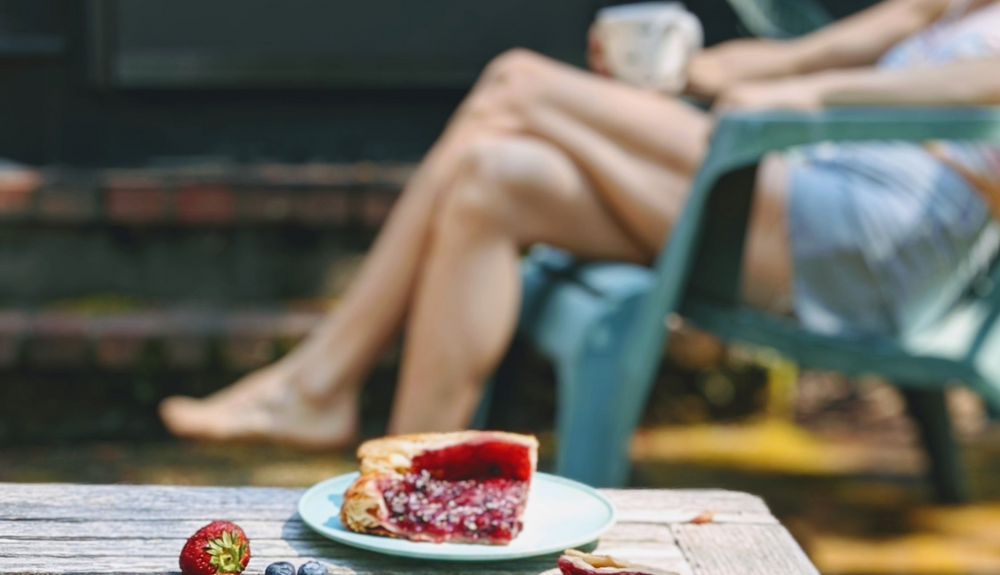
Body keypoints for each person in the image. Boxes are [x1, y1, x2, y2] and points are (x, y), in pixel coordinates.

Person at [160, 0, 1000, 449]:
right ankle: (415, 477)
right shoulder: (942, 4)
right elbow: (781, 63)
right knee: (493, 178)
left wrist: (805, 101)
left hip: (866, 237)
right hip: (791, 187)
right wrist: (677, 67)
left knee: (516, 81)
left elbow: (971, 87)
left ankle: (318, 382)